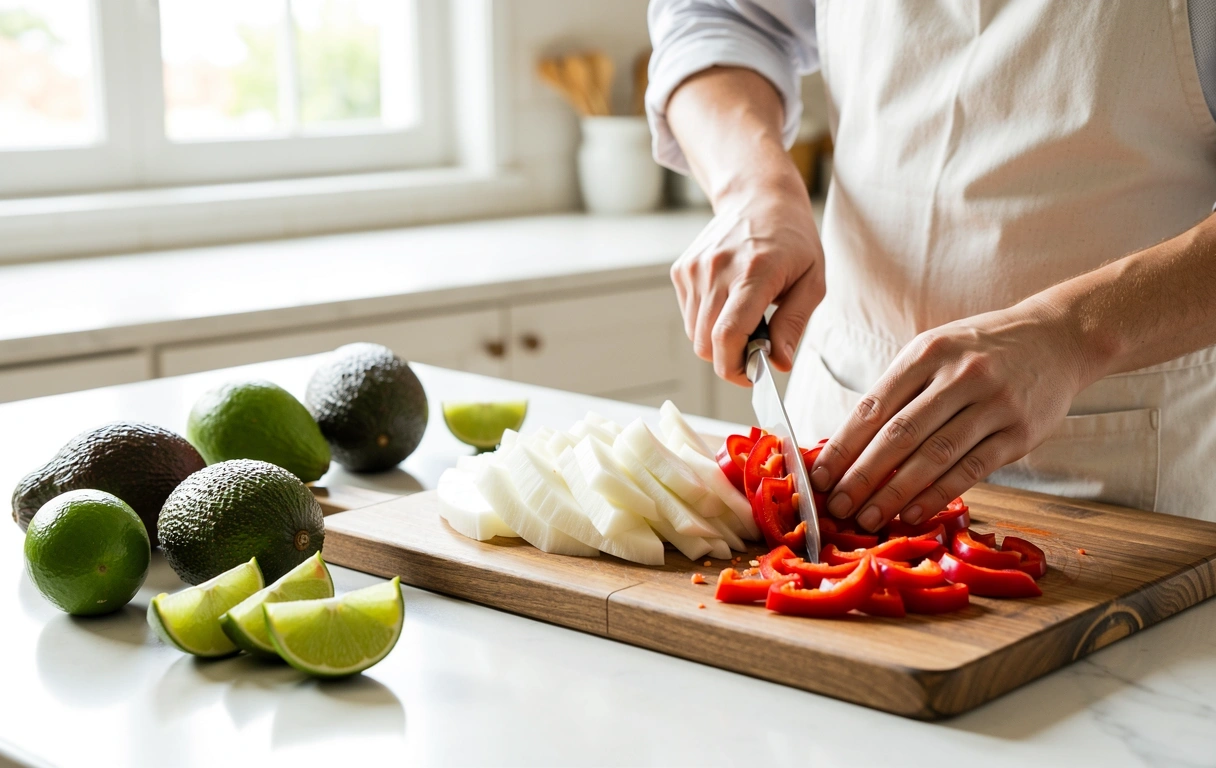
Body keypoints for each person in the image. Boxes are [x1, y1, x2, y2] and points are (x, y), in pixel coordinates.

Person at [646, 0, 1216, 530]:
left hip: (1131, 462)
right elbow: (719, 14)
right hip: (842, 403)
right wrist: (753, 186)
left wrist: (1073, 334)